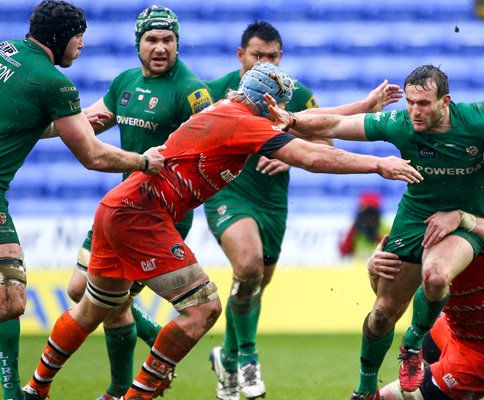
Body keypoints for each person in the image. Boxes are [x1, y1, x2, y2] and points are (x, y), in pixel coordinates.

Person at [21, 62, 421, 400]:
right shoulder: (243, 122)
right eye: (279, 108)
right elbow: (310, 156)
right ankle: (140, 392)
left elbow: (304, 129)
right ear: (268, 102)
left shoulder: (230, 110)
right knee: (204, 307)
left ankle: (34, 390)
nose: (281, 115)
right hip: (141, 213)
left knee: (94, 307)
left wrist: (363, 107)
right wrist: (377, 164)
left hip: (119, 206)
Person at [269, 64, 484, 397]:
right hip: (415, 217)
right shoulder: (400, 125)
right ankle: (365, 388)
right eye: (411, 102)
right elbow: (338, 124)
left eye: (424, 103)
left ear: (446, 101)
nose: (414, 110)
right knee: (383, 313)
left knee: (436, 276)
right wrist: (294, 121)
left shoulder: (479, 118)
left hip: (462, 221)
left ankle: (412, 345)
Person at [204, 21, 402, 400]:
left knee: (253, 284)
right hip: (228, 192)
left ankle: (227, 356)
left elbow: (323, 135)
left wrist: (288, 156)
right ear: (240, 55)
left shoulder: (290, 93)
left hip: (273, 202)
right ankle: (247, 358)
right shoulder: (215, 91)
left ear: (281, 57)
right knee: (247, 267)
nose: (265, 62)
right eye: (257, 55)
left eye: (272, 56)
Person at [0, 1, 165, 399]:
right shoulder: (55, 84)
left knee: (9, 298)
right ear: (61, 38)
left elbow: (18, 123)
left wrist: (69, 125)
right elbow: (93, 157)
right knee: (10, 294)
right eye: (79, 38)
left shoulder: (7, 51)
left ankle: (12, 391)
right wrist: (145, 160)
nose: (82, 47)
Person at [64, 5, 213, 400]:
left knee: (111, 302)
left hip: (160, 216)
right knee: (80, 289)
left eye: (168, 40)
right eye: (152, 39)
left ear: (178, 44)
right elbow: (90, 120)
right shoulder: (124, 82)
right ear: (138, 44)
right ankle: (155, 340)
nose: (160, 47)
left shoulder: (192, 91)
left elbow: (211, 145)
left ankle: (117, 391)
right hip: (120, 208)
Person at [368, 214, 484, 399]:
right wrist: (374, 272)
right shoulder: (423, 233)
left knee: (394, 397)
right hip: (450, 330)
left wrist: (461, 217)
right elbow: (390, 302)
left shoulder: (477, 231)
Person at [339, 192, 384, 259]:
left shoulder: (385, 226)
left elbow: (391, 250)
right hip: (358, 267)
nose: (368, 217)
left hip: (380, 265)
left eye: (371, 212)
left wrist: (375, 235)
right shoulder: (356, 227)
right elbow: (344, 250)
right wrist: (356, 229)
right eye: (366, 213)